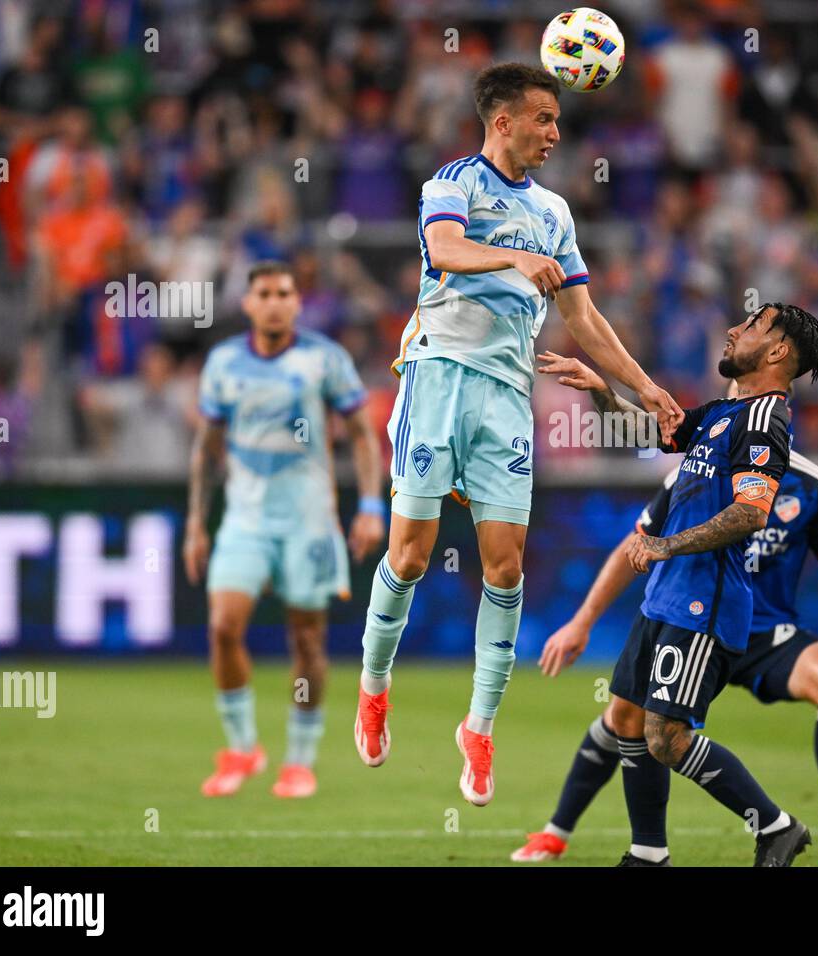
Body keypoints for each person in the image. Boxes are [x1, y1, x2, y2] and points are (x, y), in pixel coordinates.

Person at [352, 63, 681, 808]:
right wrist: (514, 257)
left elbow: (584, 320)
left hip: (506, 395)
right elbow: (444, 252)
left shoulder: (557, 214)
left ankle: (479, 727)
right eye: (544, 120)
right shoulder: (452, 183)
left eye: (559, 122)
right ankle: (374, 689)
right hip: (438, 375)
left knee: (504, 570)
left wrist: (644, 387)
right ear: (503, 121)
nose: (555, 135)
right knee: (409, 553)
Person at [513, 432, 818, 863]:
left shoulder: (812, 485)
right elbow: (637, 542)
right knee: (626, 715)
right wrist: (582, 621)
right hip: (696, 625)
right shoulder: (696, 471)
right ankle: (559, 833)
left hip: (766, 636)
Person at [535, 302, 818, 866]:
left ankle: (776, 826)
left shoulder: (766, 419)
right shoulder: (725, 412)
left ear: (777, 351)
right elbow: (648, 433)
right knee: (623, 719)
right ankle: (649, 853)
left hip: (704, 601)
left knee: (666, 737)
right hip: (666, 594)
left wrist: (666, 543)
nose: (733, 329)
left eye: (752, 325)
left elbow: (752, 511)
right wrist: (599, 388)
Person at [184, 261, 385, 799]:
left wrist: (370, 506)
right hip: (244, 519)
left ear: (298, 303)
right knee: (225, 626)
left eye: (284, 293)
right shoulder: (224, 363)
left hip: (308, 523)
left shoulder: (324, 358)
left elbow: (364, 434)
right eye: (264, 293)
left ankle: (299, 760)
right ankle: (243, 747)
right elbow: (205, 448)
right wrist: (195, 524)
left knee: (307, 638)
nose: (275, 301)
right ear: (248, 304)